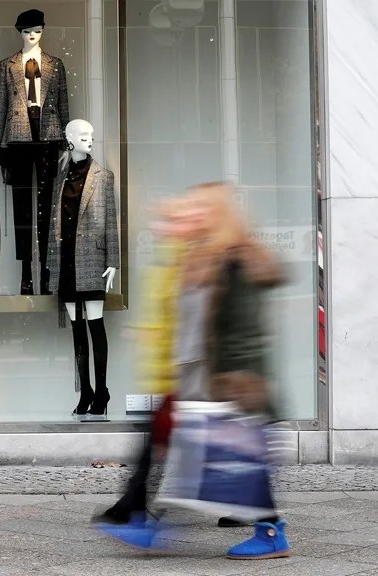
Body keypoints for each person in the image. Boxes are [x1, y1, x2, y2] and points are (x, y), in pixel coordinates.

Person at [96, 182, 290, 560]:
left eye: (202, 208)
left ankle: (269, 533)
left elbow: (244, 330)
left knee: (242, 462)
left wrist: (236, 384)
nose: (194, 213)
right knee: (219, 460)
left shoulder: (236, 261)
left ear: (219, 214)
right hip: (202, 379)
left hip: (232, 382)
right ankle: (148, 520)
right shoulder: (206, 256)